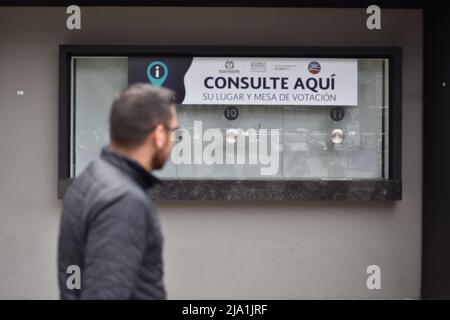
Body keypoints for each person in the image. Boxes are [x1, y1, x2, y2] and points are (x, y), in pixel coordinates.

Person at [58, 83, 178, 299]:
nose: (173, 141)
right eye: (173, 131)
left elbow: (75, 280)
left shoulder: (89, 180)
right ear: (159, 135)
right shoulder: (123, 200)